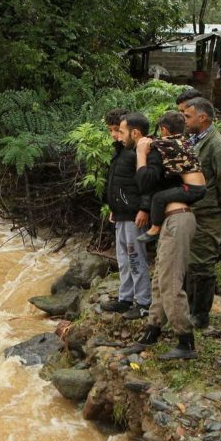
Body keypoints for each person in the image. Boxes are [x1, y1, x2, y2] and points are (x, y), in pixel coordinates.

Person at [126, 112, 198, 360]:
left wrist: (141, 154)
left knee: (169, 282)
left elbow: (145, 181)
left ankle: (186, 342)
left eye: (121, 131)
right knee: (159, 279)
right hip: (171, 220)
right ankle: (153, 330)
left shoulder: (156, 150)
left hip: (178, 220)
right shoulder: (169, 150)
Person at [180, 97, 221, 329]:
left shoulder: (218, 146)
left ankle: (200, 315)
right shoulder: (193, 139)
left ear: (203, 118)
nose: (184, 120)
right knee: (189, 260)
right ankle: (188, 307)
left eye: (188, 116)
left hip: (209, 212)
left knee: (202, 262)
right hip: (194, 209)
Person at [100, 109, 152, 320]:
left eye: (118, 131)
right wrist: (114, 207)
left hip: (134, 215)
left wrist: (144, 208)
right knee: (123, 258)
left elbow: (146, 183)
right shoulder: (120, 151)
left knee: (135, 258)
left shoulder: (137, 151)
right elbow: (118, 183)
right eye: (112, 131)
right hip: (122, 214)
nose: (115, 135)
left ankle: (143, 302)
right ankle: (125, 298)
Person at [137, 112, 206, 243]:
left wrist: (142, 146)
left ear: (164, 129)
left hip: (192, 189)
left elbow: (151, 144)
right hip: (200, 187)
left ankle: (155, 228)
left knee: (159, 198)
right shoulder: (184, 141)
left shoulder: (167, 144)